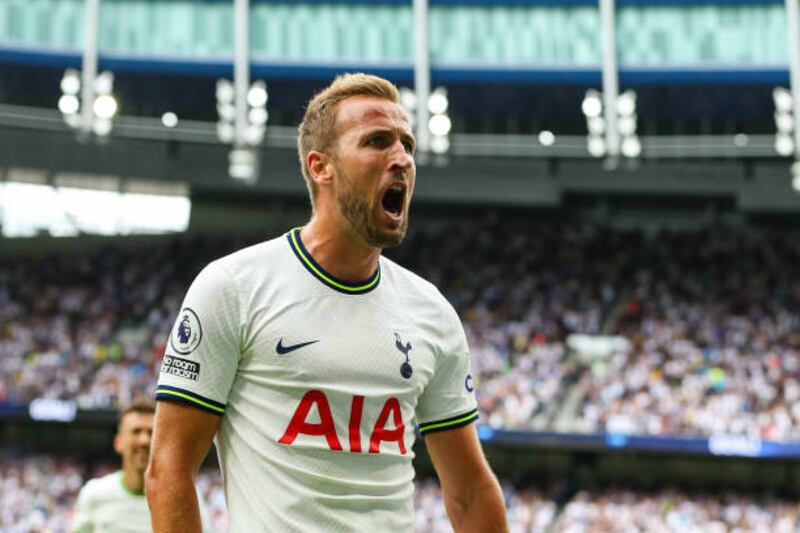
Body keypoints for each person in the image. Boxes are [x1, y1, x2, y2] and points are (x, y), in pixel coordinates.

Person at [146, 72, 509, 532]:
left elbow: (470, 491)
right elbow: (169, 468)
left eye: (408, 145)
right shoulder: (233, 287)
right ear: (321, 167)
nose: (401, 159)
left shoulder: (432, 312)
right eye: (378, 141)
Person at [72, 398, 155, 532]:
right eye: (136, 431)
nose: (144, 440)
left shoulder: (183, 498)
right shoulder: (94, 493)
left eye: (151, 433)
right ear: (118, 442)